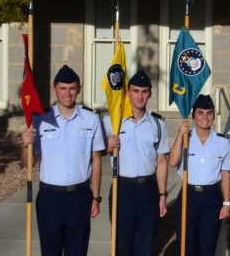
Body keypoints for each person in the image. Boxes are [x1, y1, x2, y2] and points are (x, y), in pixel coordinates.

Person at [21, 65, 104, 256]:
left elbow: (96, 160)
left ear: (79, 89)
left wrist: (96, 197)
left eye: (72, 88)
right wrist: (25, 145)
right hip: (50, 198)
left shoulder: (90, 119)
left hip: (80, 197)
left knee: (78, 251)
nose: (67, 93)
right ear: (54, 89)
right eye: (63, 88)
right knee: (50, 251)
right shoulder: (40, 120)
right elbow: (28, 163)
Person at [103, 70, 170, 256]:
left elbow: (161, 161)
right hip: (122, 187)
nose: (140, 96)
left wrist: (162, 195)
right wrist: (107, 146)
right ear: (127, 92)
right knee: (121, 244)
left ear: (150, 93)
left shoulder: (158, 124)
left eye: (144, 91)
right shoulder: (112, 121)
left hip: (148, 188)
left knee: (146, 243)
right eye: (135, 91)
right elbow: (94, 153)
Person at [169, 94, 230, 256]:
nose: (205, 117)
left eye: (209, 113)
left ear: (214, 116)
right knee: (186, 246)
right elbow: (172, 162)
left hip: (212, 197)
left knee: (208, 246)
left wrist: (226, 203)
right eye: (200, 113)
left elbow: (226, 175)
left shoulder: (223, 142)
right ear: (193, 116)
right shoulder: (186, 139)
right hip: (188, 195)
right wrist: (179, 135)